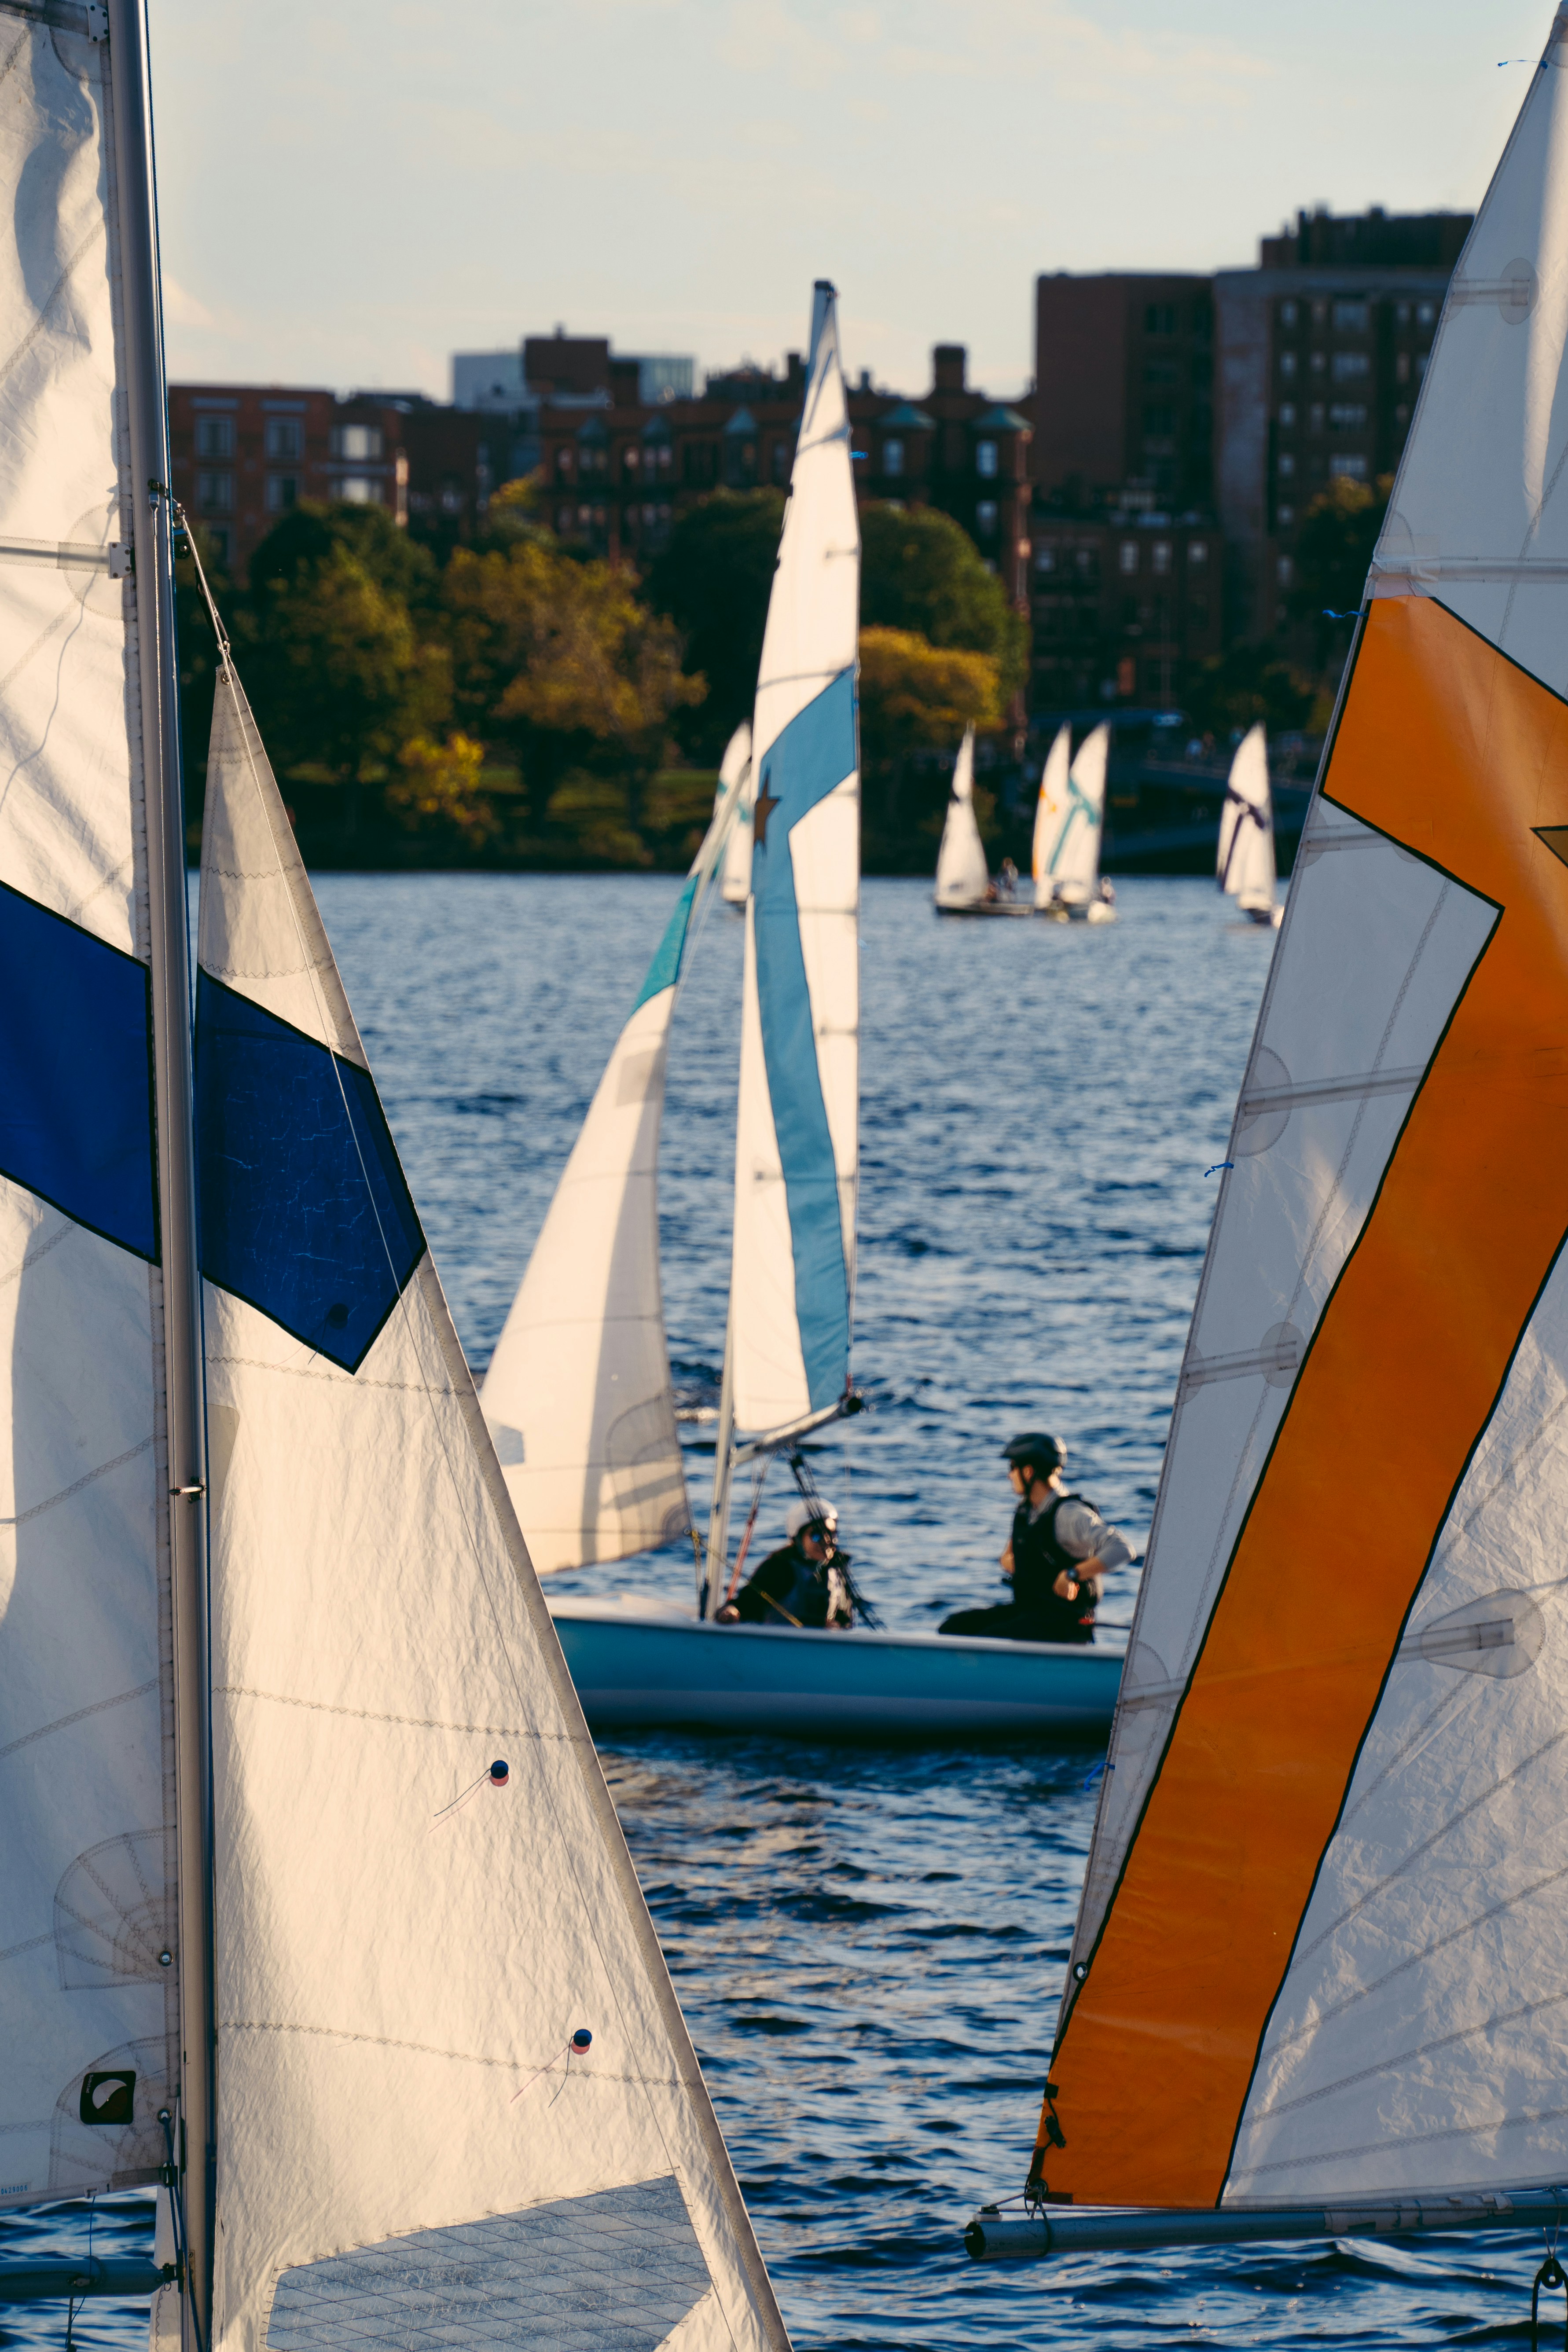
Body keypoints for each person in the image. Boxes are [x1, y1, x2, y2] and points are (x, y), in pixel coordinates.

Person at [939, 1431, 1130, 1643]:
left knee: (990, 1639)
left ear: (1028, 1472)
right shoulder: (1027, 1511)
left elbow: (1122, 1549)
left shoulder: (1069, 1513)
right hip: (1030, 1612)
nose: (1009, 1475)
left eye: (1012, 1468)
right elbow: (1011, 1557)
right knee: (954, 1627)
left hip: (1063, 1623)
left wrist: (1073, 1574)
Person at [717, 1498, 854, 1629]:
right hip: (777, 1647)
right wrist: (732, 1611)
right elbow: (746, 1604)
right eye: (816, 1535)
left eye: (831, 1534)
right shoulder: (780, 1570)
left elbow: (846, 1619)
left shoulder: (837, 1572)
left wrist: (839, 1626)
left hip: (822, 1648)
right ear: (798, 1539)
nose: (826, 1541)